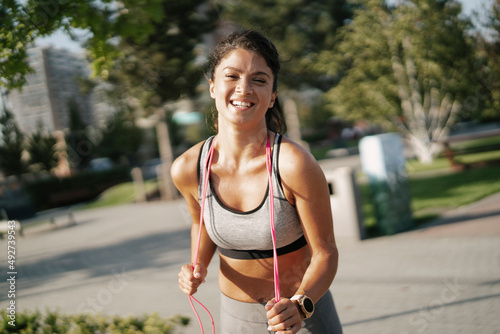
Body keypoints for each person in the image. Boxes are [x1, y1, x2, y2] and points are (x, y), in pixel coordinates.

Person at [172, 30, 343, 334]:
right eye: (232, 76)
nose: (244, 88)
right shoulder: (188, 168)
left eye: (259, 80)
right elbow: (201, 224)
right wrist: (197, 266)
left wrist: (301, 305)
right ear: (212, 86)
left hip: (300, 316)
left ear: (273, 95)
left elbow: (326, 252)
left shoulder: (294, 165)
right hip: (235, 318)